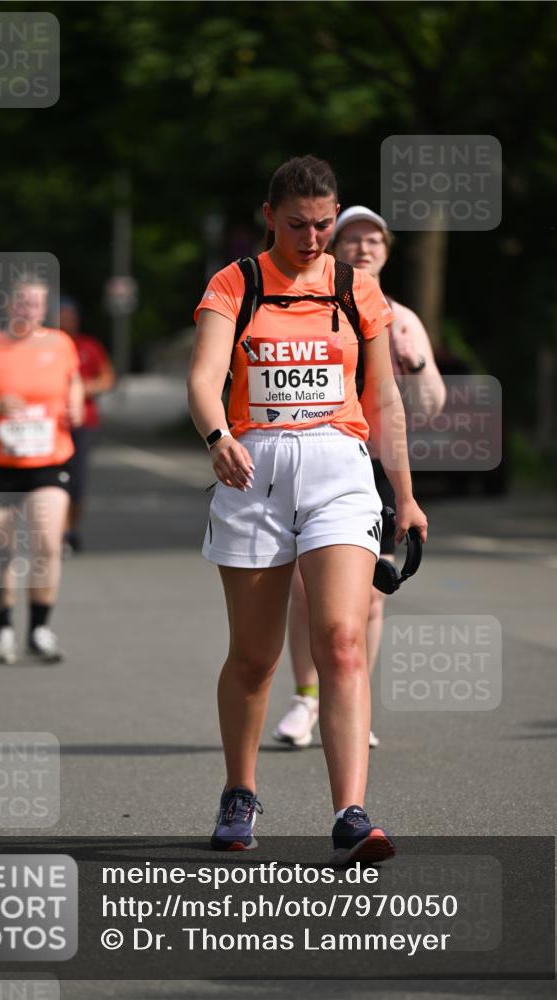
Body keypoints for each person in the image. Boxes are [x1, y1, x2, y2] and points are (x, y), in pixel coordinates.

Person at [187, 157, 428, 861]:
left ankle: (351, 814)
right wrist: (216, 437)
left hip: (338, 470)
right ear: (269, 217)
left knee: (341, 641)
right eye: (297, 224)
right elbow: (203, 379)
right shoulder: (237, 283)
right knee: (256, 657)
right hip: (252, 469)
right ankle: (239, 791)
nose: (314, 237)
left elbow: (382, 400)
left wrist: (405, 496)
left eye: (325, 223)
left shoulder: (356, 291)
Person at [274, 206, 446, 750]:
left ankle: (351, 701)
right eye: (351, 240)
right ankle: (307, 698)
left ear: (387, 252)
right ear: (332, 246)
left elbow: (434, 406)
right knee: (304, 589)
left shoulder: (401, 316)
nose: (363, 249)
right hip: (311, 454)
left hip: (373, 466)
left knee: (371, 597)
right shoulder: (309, 303)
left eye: (374, 241)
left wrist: (414, 362)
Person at [0, 276, 84, 664]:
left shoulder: (60, 344)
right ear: (9, 306)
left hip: (50, 458)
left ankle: (39, 629)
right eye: (22, 303)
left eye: (36, 304)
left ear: (45, 309)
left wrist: (74, 405)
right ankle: (3, 627)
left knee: (46, 543)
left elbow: (72, 380)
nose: (29, 310)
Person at [59, 297, 115, 551]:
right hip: (51, 425)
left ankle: (71, 529)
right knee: (53, 481)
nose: (67, 320)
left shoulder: (89, 346)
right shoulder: (45, 347)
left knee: (77, 481)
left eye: (71, 315)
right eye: (62, 315)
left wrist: (83, 389)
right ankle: (55, 532)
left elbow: (107, 378)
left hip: (83, 423)